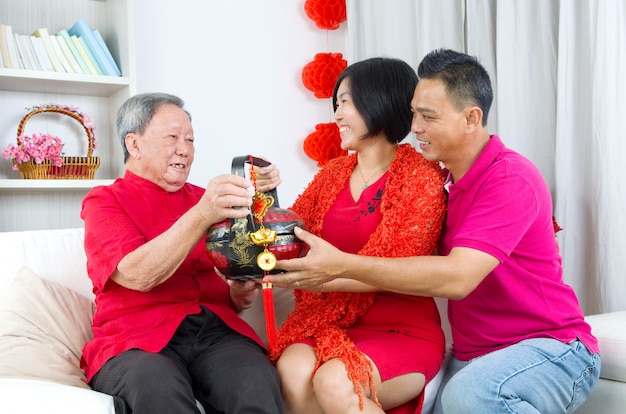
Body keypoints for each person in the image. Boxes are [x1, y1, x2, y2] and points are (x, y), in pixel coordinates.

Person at [271, 49, 601, 414]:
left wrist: (340, 265)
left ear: (471, 118)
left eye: (428, 117)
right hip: (473, 357)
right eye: (414, 114)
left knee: (467, 396)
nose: (415, 128)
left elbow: (457, 278)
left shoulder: (509, 179)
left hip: (550, 347)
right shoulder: (441, 183)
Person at [80, 92, 285, 414]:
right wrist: (202, 215)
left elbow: (234, 291)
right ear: (133, 144)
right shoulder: (105, 201)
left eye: (190, 139)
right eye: (172, 137)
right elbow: (137, 274)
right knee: (154, 383)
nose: (185, 150)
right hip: (136, 341)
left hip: (215, 333)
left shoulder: (208, 200)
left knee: (254, 378)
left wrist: (242, 286)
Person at [271, 57, 448, 414]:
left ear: (378, 100)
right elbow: (289, 235)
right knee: (291, 370)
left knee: (335, 380)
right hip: (328, 320)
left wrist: (321, 276)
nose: (336, 115)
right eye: (336, 104)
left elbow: (397, 269)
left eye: (346, 103)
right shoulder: (331, 174)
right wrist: (266, 197)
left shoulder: (423, 178)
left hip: (401, 328)